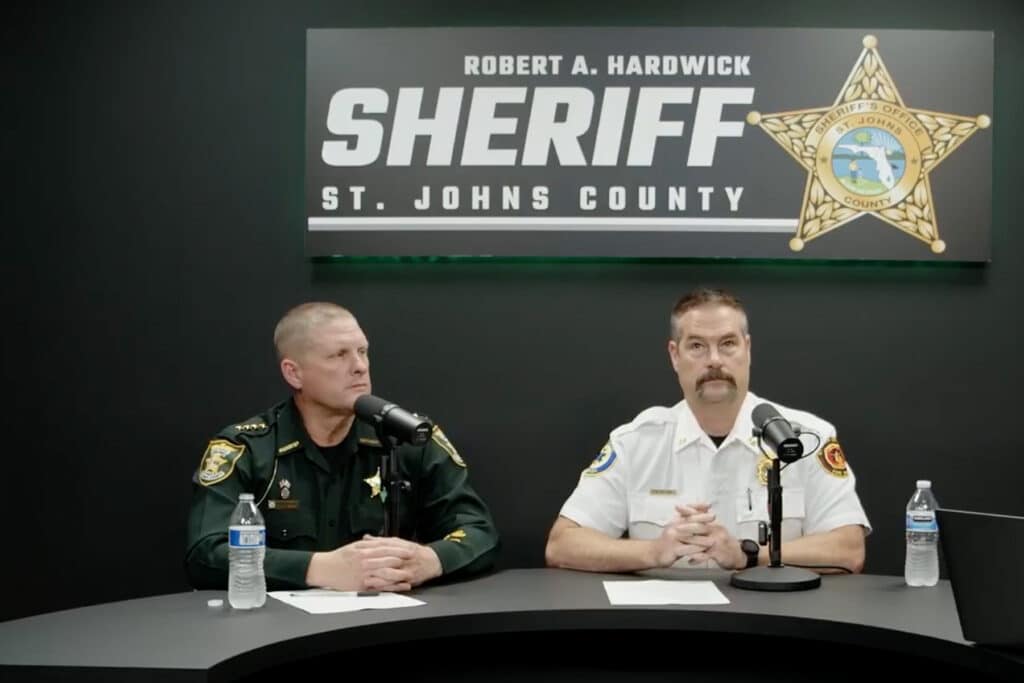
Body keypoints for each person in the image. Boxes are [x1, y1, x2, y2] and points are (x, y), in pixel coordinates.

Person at [545, 288, 869, 574]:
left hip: (775, 629)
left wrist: (748, 555)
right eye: (697, 346)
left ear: (748, 349)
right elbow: (562, 545)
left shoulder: (803, 438)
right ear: (674, 355)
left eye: (727, 344)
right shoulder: (636, 443)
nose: (714, 360)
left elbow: (848, 549)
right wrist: (653, 551)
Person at [185, 302, 499, 592]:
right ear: (294, 373)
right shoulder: (248, 448)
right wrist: (321, 569)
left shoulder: (406, 437)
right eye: (339, 355)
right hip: (275, 635)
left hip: (386, 628)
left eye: (363, 351)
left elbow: (479, 530)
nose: (360, 366)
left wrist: (427, 560)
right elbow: (205, 553)